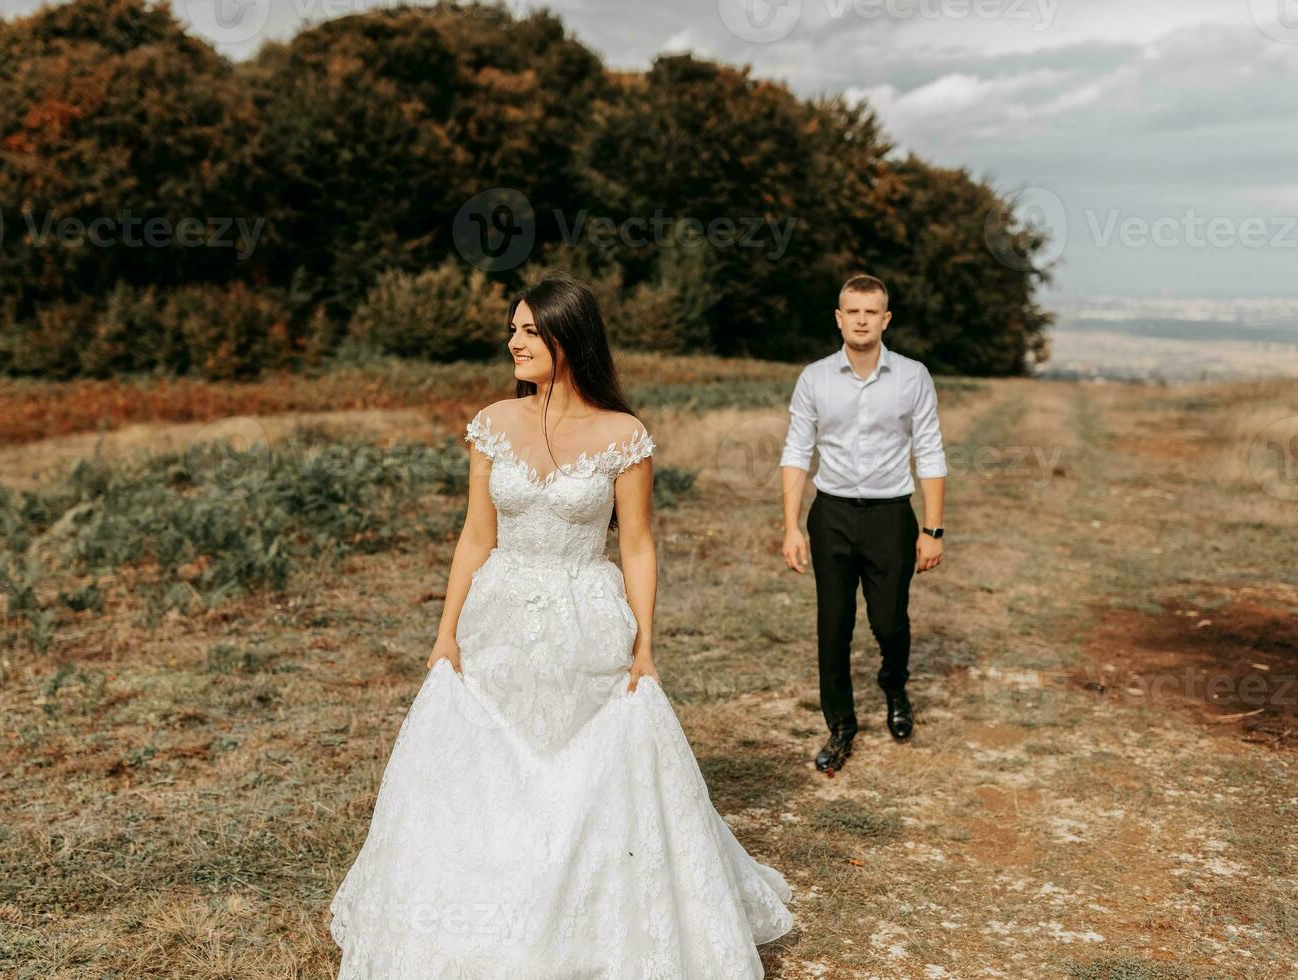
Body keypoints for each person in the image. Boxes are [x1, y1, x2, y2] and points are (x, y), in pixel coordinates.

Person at [330, 271, 794, 978]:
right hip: (498, 620)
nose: (512, 341)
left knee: (589, 781)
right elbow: (473, 535)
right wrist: (445, 633)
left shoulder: (623, 435)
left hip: (588, 625)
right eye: (512, 329)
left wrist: (645, 647)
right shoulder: (492, 423)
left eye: (527, 330)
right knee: (487, 775)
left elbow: (636, 544)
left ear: (566, 337)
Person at [779, 274, 947, 774]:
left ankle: (895, 685)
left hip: (891, 515)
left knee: (888, 622)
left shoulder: (913, 376)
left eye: (870, 312)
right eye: (852, 311)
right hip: (830, 514)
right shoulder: (814, 378)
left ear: (885, 319)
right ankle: (841, 725)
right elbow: (796, 450)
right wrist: (790, 526)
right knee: (833, 626)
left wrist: (932, 530)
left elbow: (930, 450)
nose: (860, 319)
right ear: (838, 316)